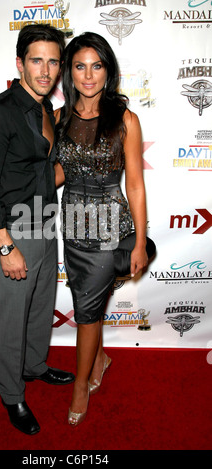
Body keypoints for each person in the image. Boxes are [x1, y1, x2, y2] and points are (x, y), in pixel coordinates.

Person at [0, 24, 75, 436]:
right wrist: (4, 246)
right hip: (15, 232)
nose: (46, 70)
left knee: (39, 308)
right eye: (37, 60)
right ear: (20, 63)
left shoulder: (46, 110)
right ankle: (12, 394)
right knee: (13, 318)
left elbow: (42, 174)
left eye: (53, 61)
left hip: (46, 223)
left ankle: (34, 367)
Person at [54, 32, 155, 426]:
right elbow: (63, 172)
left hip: (110, 226)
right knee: (87, 301)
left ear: (108, 70)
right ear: (70, 72)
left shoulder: (125, 120)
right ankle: (101, 358)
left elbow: (134, 185)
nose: (88, 75)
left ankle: (81, 385)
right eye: (80, 66)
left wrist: (140, 244)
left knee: (85, 312)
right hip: (73, 224)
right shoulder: (60, 118)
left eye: (97, 65)